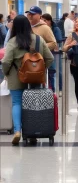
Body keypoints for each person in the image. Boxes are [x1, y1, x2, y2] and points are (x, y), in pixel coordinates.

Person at [1, 15, 53, 145]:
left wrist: (6, 73)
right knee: (34, 104)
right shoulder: (38, 40)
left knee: (17, 103)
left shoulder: (12, 42)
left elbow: (6, 61)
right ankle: (32, 132)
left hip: (16, 76)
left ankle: (18, 131)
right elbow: (50, 58)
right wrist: (40, 70)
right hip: (35, 77)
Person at [41, 13, 64, 95]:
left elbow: (58, 41)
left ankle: (60, 88)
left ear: (49, 21)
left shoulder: (55, 29)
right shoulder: (42, 29)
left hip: (55, 53)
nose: (43, 22)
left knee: (58, 71)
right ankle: (52, 89)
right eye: (42, 20)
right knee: (50, 72)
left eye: (45, 20)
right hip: (46, 53)